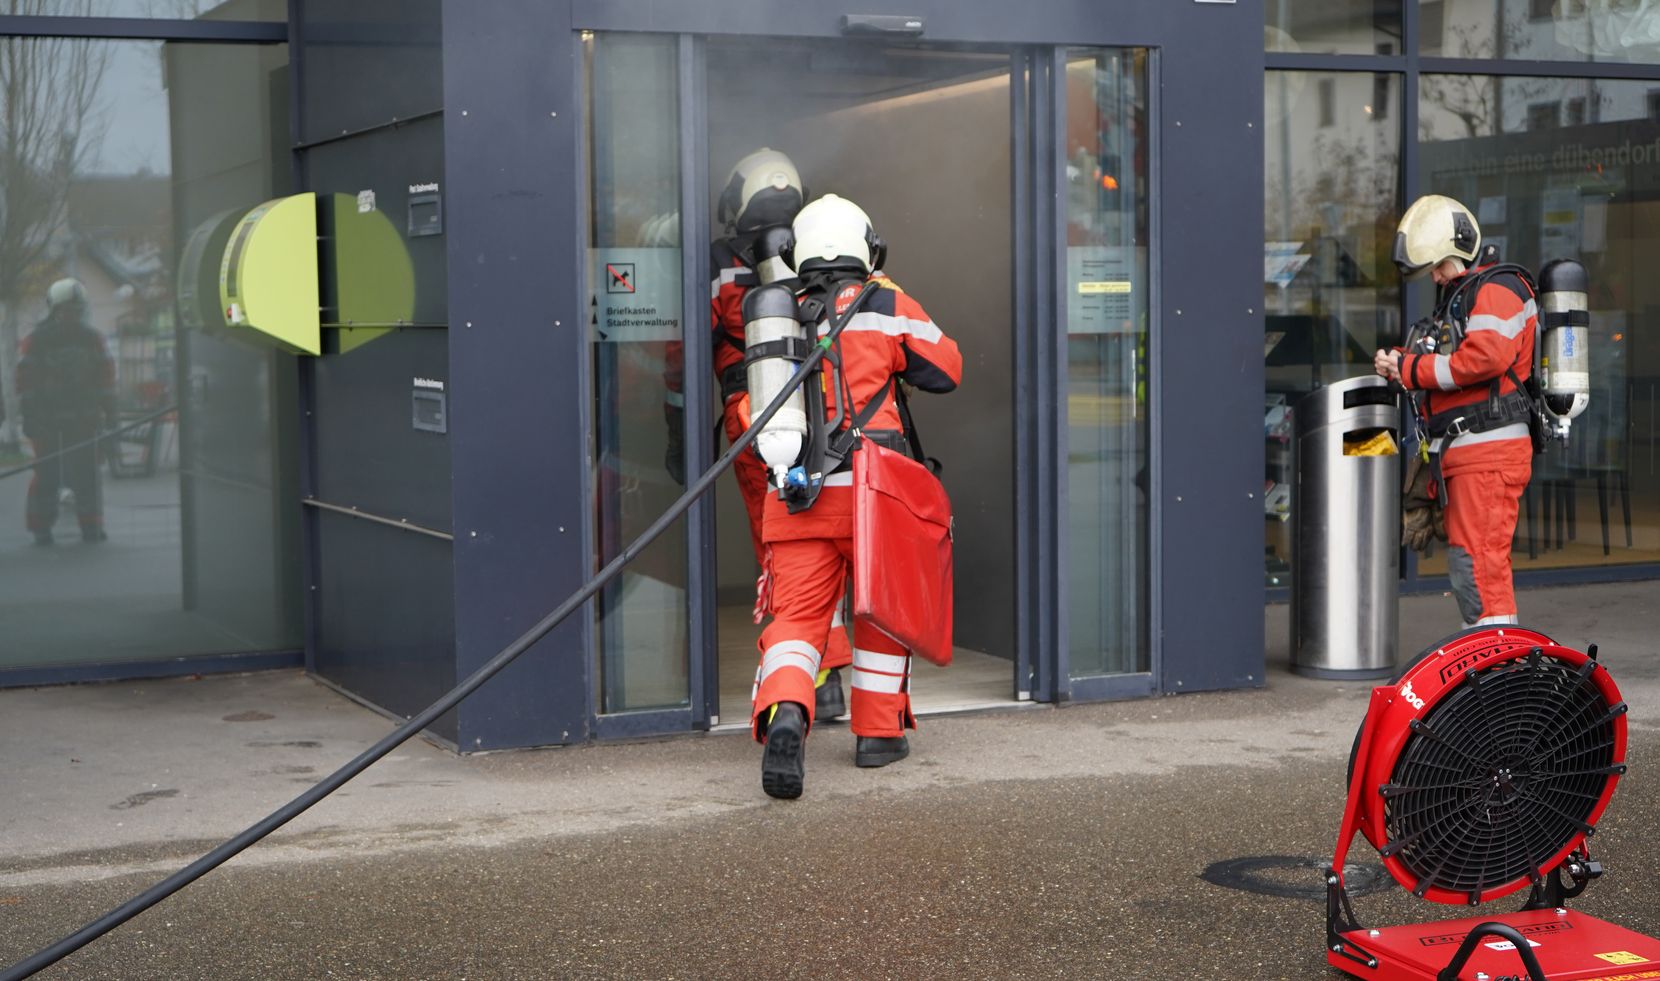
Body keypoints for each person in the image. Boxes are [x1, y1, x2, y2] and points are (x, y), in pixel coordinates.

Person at [750, 194, 962, 799]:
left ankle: (788, 711)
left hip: (796, 495)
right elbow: (947, 369)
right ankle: (878, 735)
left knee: (795, 620)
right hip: (876, 495)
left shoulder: (778, 313)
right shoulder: (888, 302)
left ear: (796, 254)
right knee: (882, 608)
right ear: (870, 249)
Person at [667, 148, 854, 719]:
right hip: (827, 416)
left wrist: (679, 432)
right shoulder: (821, 249)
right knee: (829, 539)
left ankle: (804, 680)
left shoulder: (715, 261)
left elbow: (682, 353)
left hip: (757, 417)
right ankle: (831, 676)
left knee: (782, 545)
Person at [1375, 194, 1536, 627]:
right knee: (1472, 562)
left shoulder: (1497, 290)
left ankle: (1498, 668)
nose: (1438, 275)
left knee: (1479, 564)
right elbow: (1446, 358)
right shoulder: (1464, 296)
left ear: (1462, 247)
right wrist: (1401, 364)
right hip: (1466, 453)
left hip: (1487, 453)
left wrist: (1410, 368)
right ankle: (1490, 661)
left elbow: (1483, 360)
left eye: (1441, 265)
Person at [16, 278, 116, 546]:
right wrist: (29, 416)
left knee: (86, 475)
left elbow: (105, 380)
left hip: (80, 421)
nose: (70, 315)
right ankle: (43, 529)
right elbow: (26, 382)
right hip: (50, 422)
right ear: (55, 310)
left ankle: (90, 527)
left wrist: (110, 414)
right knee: (48, 474)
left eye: (74, 310)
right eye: (66, 310)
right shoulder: (43, 341)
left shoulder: (88, 340)